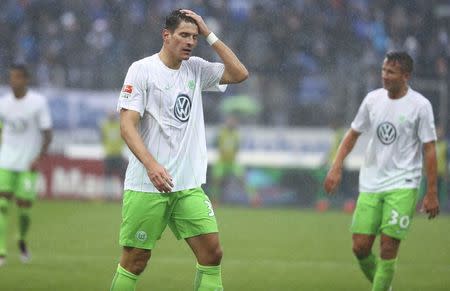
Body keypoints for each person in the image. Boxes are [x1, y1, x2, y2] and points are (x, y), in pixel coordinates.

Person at [109, 9, 248, 291]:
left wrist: (210, 34)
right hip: (147, 185)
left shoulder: (195, 68)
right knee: (135, 259)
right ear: (166, 35)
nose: (190, 41)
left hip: (187, 185)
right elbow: (127, 126)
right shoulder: (142, 69)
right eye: (184, 35)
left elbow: (239, 73)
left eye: (194, 37)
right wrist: (151, 165)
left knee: (212, 254)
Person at [324, 51, 440, 291]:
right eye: (383, 70)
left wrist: (431, 192)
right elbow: (352, 135)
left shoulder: (420, 106)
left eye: (391, 72)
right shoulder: (372, 100)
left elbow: (429, 149)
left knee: (388, 247)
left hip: (404, 183)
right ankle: (385, 286)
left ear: (405, 76)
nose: (385, 76)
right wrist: (336, 167)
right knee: (360, 247)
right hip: (371, 183)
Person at [0, 64, 53, 266]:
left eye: (18, 78)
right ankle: (1, 251)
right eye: (11, 77)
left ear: (26, 80)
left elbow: (47, 133)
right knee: (2, 204)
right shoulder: (3, 103)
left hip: (28, 164)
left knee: (23, 208)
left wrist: (38, 158)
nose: (14, 81)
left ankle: (21, 241)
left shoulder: (38, 103)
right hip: (5, 162)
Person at [100, 112, 126, 180]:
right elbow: (103, 138)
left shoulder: (119, 125)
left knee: (122, 174)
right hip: (109, 154)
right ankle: (108, 189)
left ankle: (122, 189)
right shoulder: (105, 126)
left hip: (118, 153)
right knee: (108, 175)